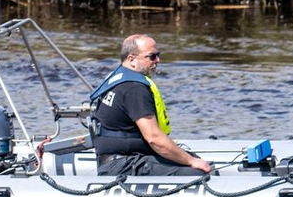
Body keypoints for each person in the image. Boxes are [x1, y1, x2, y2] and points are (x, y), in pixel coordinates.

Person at [89, 34, 213, 176]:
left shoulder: (117, 77)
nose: (158, 60)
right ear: (132, 59)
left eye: (158, 55)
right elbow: (154, 138)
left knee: (192, 159)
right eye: (152, 56)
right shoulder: (134, 88)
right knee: (197, 172)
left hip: (114, 158)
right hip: (124, 164)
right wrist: (191, 161)